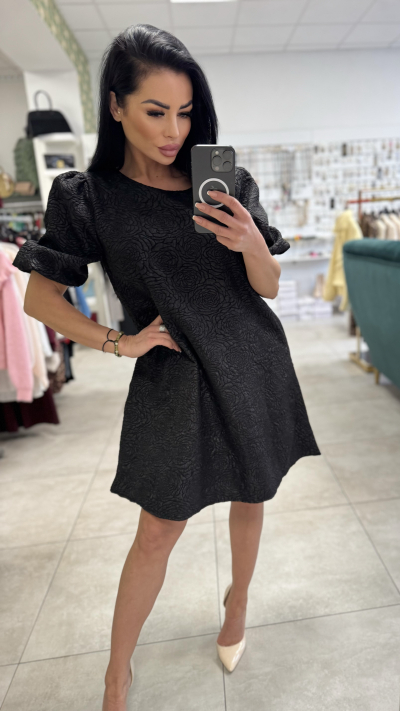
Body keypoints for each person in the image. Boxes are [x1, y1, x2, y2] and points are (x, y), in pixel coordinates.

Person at [13, 23, 321, 711]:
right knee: (157, 529)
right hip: (172, 372)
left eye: (185, 112)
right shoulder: (88, 197)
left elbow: (268, 287)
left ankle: (238, 601)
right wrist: (118, 342)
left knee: (252, 490)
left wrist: (250, 243)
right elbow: (39, 298)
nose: (174, 131)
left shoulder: (225, 181)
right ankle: (116, 672)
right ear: (116, 105)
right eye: (156, 111)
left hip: (250, 357)